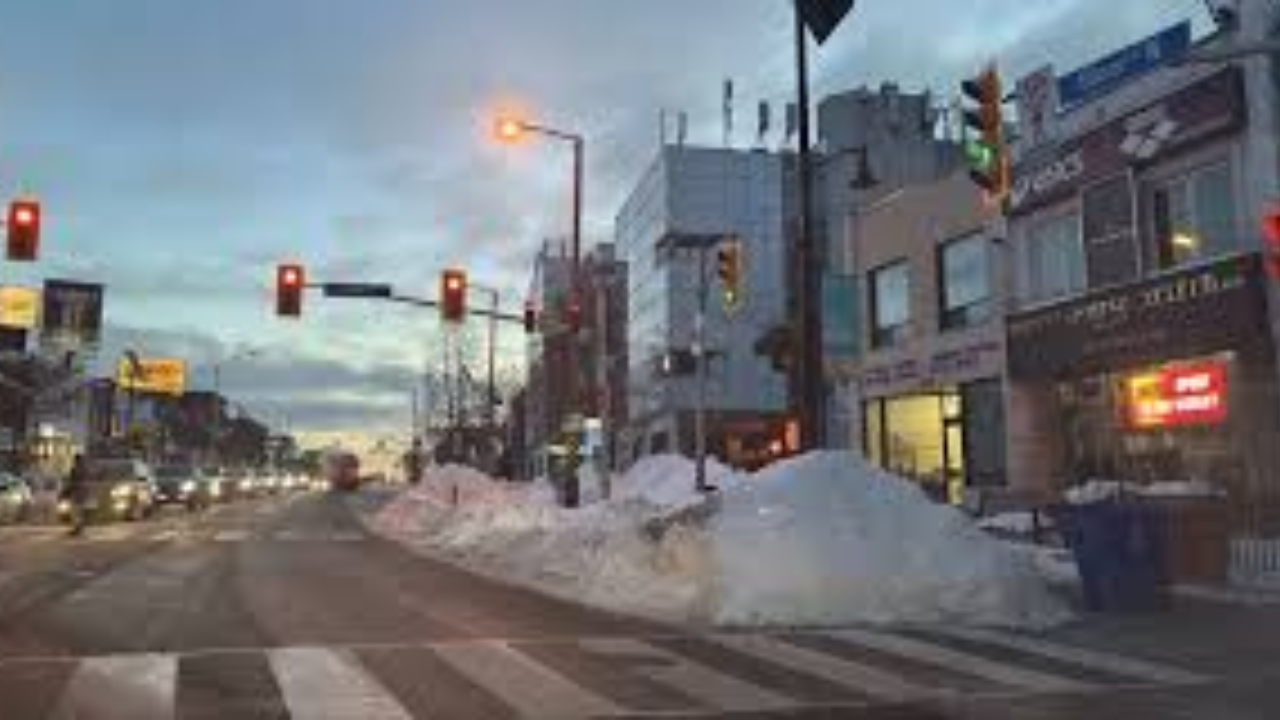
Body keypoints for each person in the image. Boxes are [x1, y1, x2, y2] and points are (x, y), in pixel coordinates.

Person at [62, 454, 91, 537]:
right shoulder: (86, 469)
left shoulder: (75, 469)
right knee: (80, 510)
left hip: (77, 492)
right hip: (83, 492)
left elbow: (71, 481)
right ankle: (79, 527)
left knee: (75, 511)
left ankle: (77, 527)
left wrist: (66, 491)